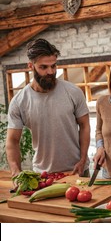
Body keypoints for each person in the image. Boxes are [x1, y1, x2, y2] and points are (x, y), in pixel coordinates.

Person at [6, 38, 91, 178]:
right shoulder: (19, 102)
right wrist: (16, 173)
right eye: (43, 67)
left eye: (53, 66)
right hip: (43, 174)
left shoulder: (73, 92)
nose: (50, 71)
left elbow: (84, 125)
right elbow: (12, 140)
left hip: (77, 170)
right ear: (30, 66)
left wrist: (82, 159)